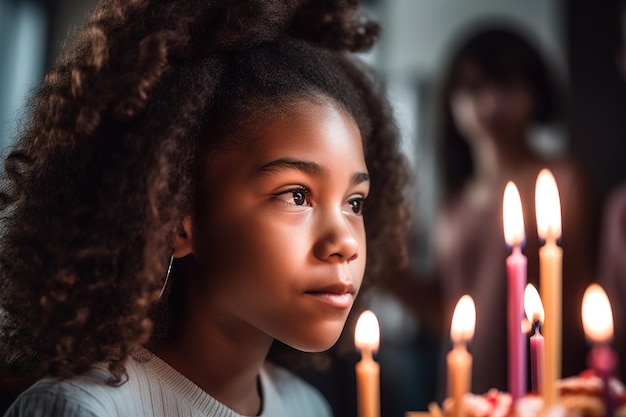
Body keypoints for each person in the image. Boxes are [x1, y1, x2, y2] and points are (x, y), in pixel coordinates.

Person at [0, 0, 411, 415]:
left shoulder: (308, 407)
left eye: (354, 202)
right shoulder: (81, 410)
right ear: (177, 216)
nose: (344, 242)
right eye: (297, 195)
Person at [432, 24, 597, 395]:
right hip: (464, 389)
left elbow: (578, 293)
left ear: (536, 93)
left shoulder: (563, 183)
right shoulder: (453, 204)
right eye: (473, 89)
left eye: (507, 87)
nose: (490, 104)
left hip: (544, 386)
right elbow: (445, 309)